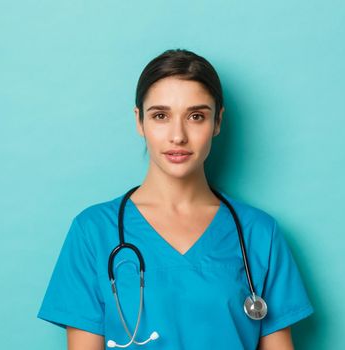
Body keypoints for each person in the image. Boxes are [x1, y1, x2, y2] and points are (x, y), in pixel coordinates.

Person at [37, 49, 314, 349]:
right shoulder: (93, 232)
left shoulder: (258, 233)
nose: (178, 135)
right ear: (139, 121)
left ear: (217, 122)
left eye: (196, 116)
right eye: (160, 116)